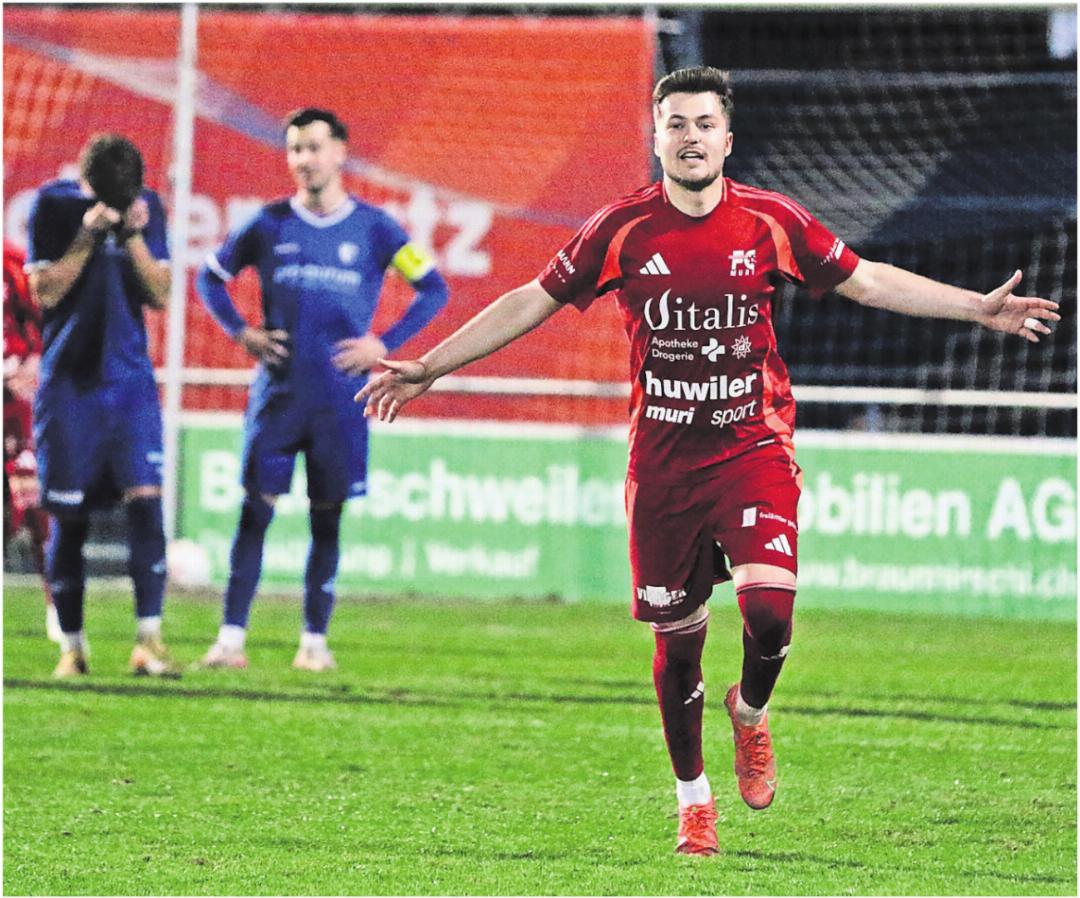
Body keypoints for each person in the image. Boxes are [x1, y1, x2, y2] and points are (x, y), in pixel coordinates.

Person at [356, 67, 1060, 855]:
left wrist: (975, 308)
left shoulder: (771, 219)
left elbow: (864, 281)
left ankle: (750, 711)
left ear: (728, 139)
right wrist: (431, 366)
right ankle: (693, 799)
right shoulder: (621, 228)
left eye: (703, 124)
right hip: (663, 468)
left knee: (770, 612)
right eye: (676, 124)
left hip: (752, 448)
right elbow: (531, 299)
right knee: (678, 643)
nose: (690, 138)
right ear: (656, 138)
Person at [195, 108, 449, 672]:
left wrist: (382, 343)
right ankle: (231, 640)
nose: (303, 159)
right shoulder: (267, 224)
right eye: (294, 149)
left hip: (341, 401)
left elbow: (433, 289)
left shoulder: (377, 228)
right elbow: (209, 277)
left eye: (313, 147)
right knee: (254, 513)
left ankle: (313, 643)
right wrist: (241, 332)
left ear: (339, 153)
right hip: (278, 396)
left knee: (326, 518)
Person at [26, 133, 176, 679]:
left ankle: (149, 642)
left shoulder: (146, 206)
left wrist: (132, 236)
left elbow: (160, 294)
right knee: (69, 518)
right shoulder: (53, 205)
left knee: (146, 505)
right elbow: (44, 291)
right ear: (87, 184)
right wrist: (87, 237)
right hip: (69, 388)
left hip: (130, 386)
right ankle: (72, 648)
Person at [3, 239, 59, 643]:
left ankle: (58, 608)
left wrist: (33, 362)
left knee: (36, 507)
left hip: (14, 403)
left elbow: (44, 320)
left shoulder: (13, 262)